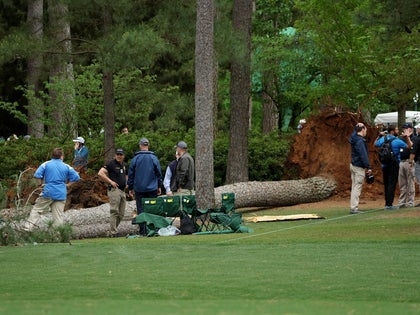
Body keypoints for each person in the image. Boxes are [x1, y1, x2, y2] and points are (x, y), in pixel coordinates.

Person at [23, 148, 80, 231]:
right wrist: (68, 185)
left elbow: (37, 175)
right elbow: (76, 177)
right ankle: (58, 234)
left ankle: (28, 228)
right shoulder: (66, 166)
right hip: (61, 193)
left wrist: (40, 184)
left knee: (37, 210)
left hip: (48, 191)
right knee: (58, 215)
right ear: (61, 156)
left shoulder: (46, 164)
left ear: (52, 156)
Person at [127, 138, 162, 236]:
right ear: (148, 145)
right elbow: (159, 173)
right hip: (152, 188)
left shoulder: (135, 159)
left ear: (140, 145)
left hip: (139, 188)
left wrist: (130, 187)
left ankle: (143, 231)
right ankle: (152, 229)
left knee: (141, 210)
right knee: (152, 209)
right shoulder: (153, 158)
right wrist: (159, 186)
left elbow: (131, 174)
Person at [375, 125, 410, 210]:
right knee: (392, 184)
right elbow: (409, 146)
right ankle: (389, 204)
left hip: (384, 164)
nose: (398, 131)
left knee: (386, 184)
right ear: (392, 131)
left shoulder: (383, 139)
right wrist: (407, 138)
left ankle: (387, 203)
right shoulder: (397, 141)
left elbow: (375, 144)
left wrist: (379, 136)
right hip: (393, 165)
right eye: (397, 129)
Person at [98, 148, 128, 237]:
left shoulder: (123, 165)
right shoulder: (111, 164)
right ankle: (113, 232)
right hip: (114, 190)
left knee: (121, 213)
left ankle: (112, 230)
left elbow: (126, 175)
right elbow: (100, 173)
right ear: (115, 155)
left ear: (123, 156)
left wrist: (126, 183)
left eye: (121, 154)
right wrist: (110, 182)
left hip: (122, 191)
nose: (119, 156)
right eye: (118, 154)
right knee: (114, 211)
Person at [349, 123, 372, 214]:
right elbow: (363, 155)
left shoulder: (354, 138)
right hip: (359, 167)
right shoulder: (360, 141)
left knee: (354, 186)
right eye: (365, 129)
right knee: (357, 187)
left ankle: (353, 206)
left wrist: (356, 127)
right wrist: (368, 167)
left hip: (353, 165)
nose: (366, 131)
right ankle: (354, 208)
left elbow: (352, 135)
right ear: (362, 130)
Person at [397, 122, 415, 208]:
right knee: (402, 183)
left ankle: (410, 202)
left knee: (410, 182)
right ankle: (402, 202)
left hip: (409, 161)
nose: (404, 130)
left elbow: (411, 147)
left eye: (406, 128)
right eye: (403, 128)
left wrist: (407, 137)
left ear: (410, 129)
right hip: (401, 161)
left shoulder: (414, 138)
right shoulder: (401, 139)